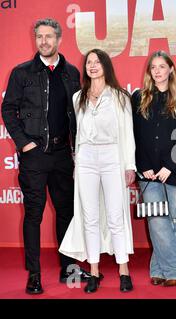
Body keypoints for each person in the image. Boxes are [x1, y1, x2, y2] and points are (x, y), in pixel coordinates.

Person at [1, 18, 91, 295]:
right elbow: (8, 109)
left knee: (67, 213)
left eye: (49, 36)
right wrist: (24, 144)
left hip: (63, 154)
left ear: (59, 39)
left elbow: (80, 114)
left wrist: (79, 149)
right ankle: (35, 274)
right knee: (34, 215)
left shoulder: (72, 73)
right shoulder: (22, 73)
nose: (44, 41)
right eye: (39, 36)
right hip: (35, 155)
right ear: (35, 39)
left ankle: (68, 268)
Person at [59, 48, 136, 293]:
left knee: (116, 215)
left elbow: (128, 134)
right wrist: (77, 163)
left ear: (106, 66)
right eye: (89, 62)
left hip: (113, 155)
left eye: (97, 61)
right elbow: (78, 135)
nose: (92, 66)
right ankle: (93, 271)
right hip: (86, 160)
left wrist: (129, 165)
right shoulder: (78, 97)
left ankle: (124, 271)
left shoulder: (120, 96)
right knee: (89, 216)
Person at [131, 51, 176, 287]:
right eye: (153, 67)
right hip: (147, 174)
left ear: (171, 70)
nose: (157, 71)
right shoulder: (138, 98)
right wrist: (142, 166)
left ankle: (158, 268)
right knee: (157, 220)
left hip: (173, 172)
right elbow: (133, 135)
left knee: (173, 221)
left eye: (162, 66)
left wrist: (170, 166)